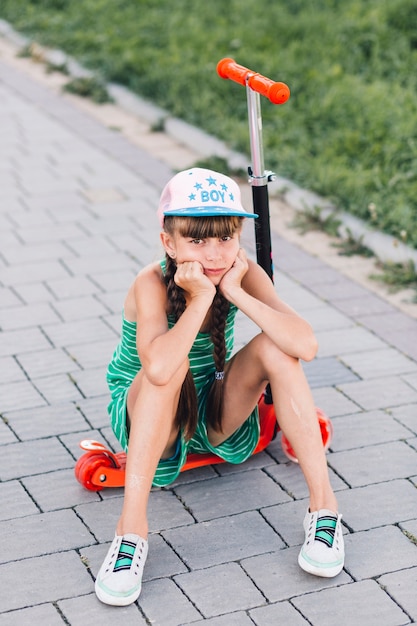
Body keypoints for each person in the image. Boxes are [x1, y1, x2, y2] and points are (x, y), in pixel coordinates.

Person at [94, 167, 345, 606]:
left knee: (278, 349)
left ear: (238, 238)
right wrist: (203, 300)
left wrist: (238, 292)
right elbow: (156, 369)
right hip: (152, 413)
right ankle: (130, 534)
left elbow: (305, 344)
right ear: (168, 243)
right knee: (169, 368)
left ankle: (324, 511)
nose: (213, 253)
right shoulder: (150, 282)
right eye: (196, 240)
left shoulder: (237, 272)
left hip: (212, 403)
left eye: (225, 238)